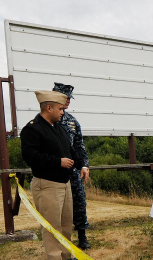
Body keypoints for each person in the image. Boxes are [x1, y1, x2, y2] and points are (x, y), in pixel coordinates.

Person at [21, 91, 87, 260]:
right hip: (47, 183)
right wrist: (57, 162)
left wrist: (82, 165)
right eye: (59, 108)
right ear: (48, 108)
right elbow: (31, 157)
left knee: (66, 222)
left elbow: (71, 150)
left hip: (64, 182)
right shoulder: (32, 129)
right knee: (52, 224)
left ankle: (65, 254)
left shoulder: (58, 127)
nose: (62, 112)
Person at [53, 82, 91, 250]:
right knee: (57, 209)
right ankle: (58, 241)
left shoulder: (72, 122)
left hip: (73, 172)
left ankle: (82, 237)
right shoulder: (46, 121)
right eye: (65, 97)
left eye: (69, 98)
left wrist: (84, 166)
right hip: (53, 172)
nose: (68, 101)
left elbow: (79, 147)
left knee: (79, 203)